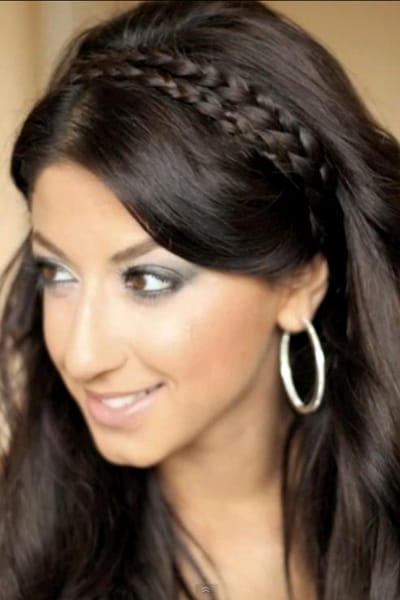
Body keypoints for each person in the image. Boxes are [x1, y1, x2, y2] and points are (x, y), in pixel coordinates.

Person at [1, 1, 400, 598]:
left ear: (298, 284)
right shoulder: (23, 557)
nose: (81, 356)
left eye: (146, 281)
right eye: (57, 273)